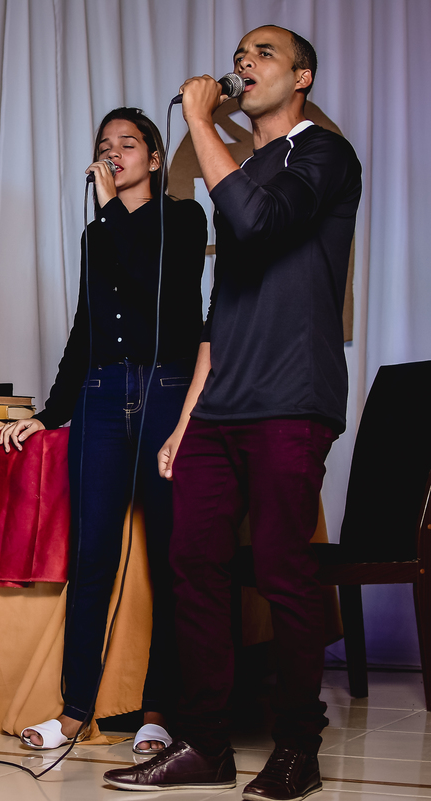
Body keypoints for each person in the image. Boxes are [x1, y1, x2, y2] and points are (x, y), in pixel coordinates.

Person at [103, 26, 361, 801]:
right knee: (195, 569)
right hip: (221, 406)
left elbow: (254, 222)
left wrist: (197, 122)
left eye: (265, 55)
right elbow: (225, 309)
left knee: (284, 569)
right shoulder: (241, 168)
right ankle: (206, 744)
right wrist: (186, 419)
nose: (244, 63)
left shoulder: (323, 154)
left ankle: (297, 748)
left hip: (293, 396)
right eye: (239, 54)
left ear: (303, 77)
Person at [0, 109, 208, 753]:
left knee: (170, 559)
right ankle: (72, 712)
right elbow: (87, 326)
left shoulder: (184, 218)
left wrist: (110, 209)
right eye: (104, 146)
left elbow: (154, 292)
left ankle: (158, 711)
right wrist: (51, 411)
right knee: (91, 559)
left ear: (153, 156)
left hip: (166, 392)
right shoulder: (98, 233)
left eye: (128, 144)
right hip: (99, 395)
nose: (114, 154)